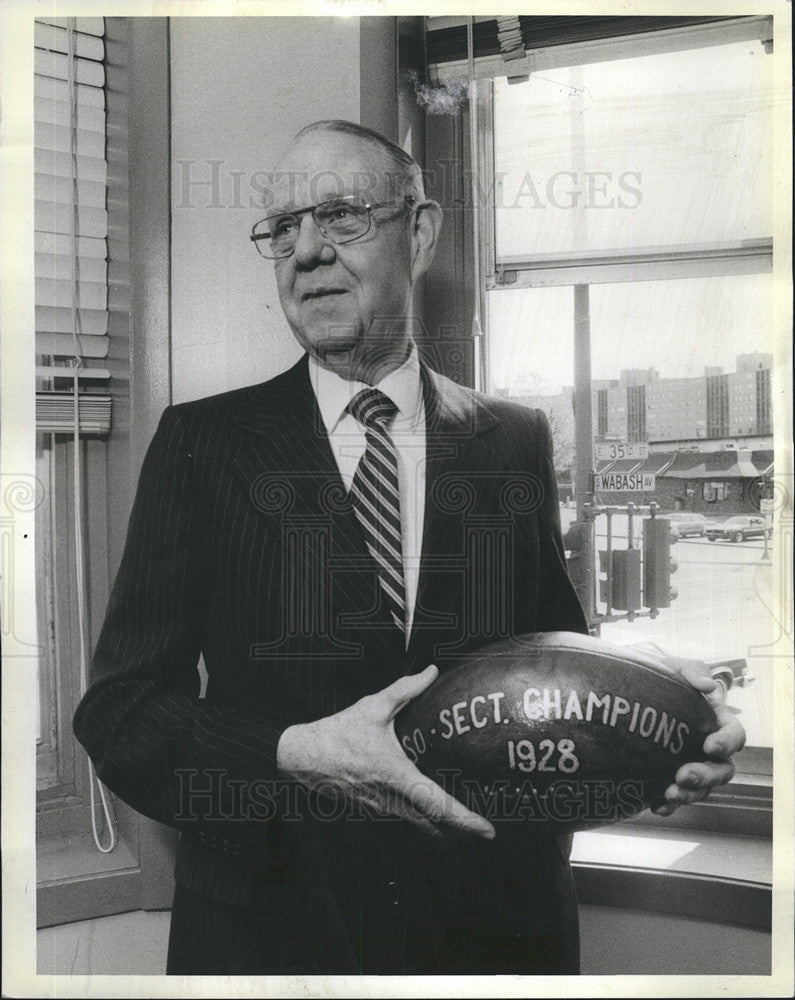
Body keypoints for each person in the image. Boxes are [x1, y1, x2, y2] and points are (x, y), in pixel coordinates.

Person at [73, 119, 744, 976]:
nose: (306, 251)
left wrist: (670, 722)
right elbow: (119, 711)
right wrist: (290, 755)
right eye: (283, 228)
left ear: (418, 233)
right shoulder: (202, 443)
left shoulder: (510, 437)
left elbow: (541, 667)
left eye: (341, 216)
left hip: (492, 927)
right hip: (274, 932)